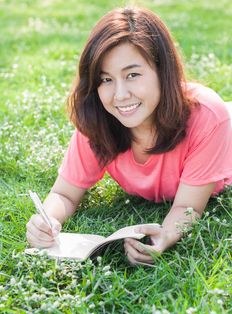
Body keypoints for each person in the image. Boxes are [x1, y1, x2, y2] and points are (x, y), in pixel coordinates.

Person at [26, 7, 232, 265]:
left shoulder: (208, 117)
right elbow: (65, 194)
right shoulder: (98, 119)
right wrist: (47, 220)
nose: (120, 95)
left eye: (132, 75)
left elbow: (187, 208)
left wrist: (164, 237)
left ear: (162, 71)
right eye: (105, 80)